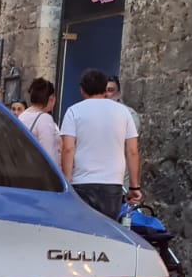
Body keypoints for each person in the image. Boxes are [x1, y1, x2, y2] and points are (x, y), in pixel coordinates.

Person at [60, 67, 141, 220]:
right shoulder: (123, 112)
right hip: (112, 183)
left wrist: (66, 180)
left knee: (82, 231)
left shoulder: (73, 112)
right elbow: (132, 151)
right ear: (105, 89)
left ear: (82, 90)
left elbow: (68, 149)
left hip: (81, 182)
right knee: (107, 232)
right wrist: (134, 187)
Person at [18, 78, 60, 164]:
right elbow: (49, 154)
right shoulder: (44, 118)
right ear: (51, 99)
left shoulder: (22, 116)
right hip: (39, 172)